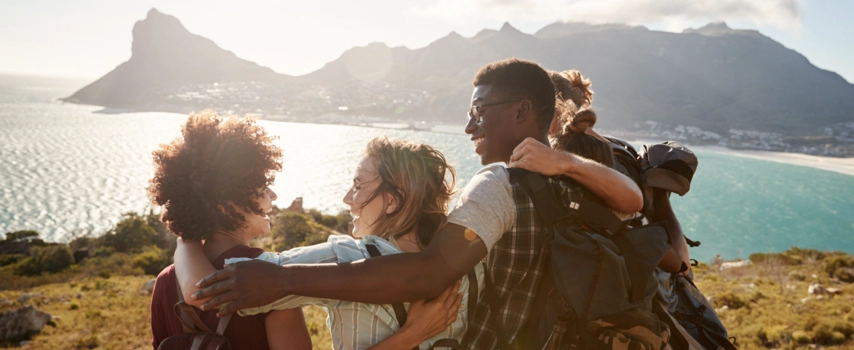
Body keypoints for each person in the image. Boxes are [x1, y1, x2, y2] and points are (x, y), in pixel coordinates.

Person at [186, 58, 644, 349]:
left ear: (521, 111)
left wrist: (278, 278)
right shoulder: (587, 185)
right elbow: (634, 201)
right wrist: (565, 163)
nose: (469, 127)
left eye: (478, 111)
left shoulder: (498, 184)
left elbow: (429, 271)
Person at [175, 137, 478, 350]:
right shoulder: (466, 265)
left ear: (392, 202)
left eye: (358, 186)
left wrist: (185, 234)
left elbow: (207, 287)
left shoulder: (344, 257)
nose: (348, 197)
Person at [148, 111, 312, 350]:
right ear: (226, 206)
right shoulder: (269, 275)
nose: (273, 195)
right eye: (263, 187)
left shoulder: (165, 281)